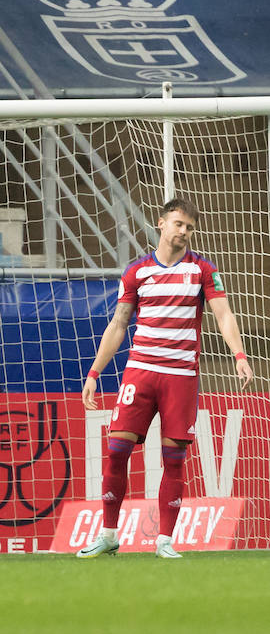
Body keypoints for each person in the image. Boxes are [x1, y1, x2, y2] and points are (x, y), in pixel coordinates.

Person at [79, 198, 255, 560]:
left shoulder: (203, 270)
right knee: (116, 450)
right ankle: (109, 534)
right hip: (140, 372)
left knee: (174, 458)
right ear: (161, 223)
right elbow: (118, 324)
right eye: (178, 224)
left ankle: (164, 541)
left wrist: (239, 355)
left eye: (189, 227)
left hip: (180, 378)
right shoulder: (137, 272)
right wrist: (95, 373)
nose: (184, 232)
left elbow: (223, 315)